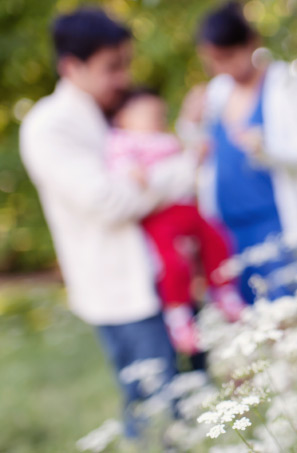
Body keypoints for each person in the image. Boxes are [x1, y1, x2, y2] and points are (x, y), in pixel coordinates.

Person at [19, 9, 196, 438]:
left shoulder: (113, 110)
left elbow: (168, 172)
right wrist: (164, 176)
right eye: (111, 67)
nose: (123, 77)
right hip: (122, 293)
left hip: (165, 277)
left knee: (192, 398)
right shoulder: (49, 126)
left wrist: (152, 178)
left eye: (126, 64)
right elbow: (109, 201)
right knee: (158, 413)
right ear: (71, 67)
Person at [178, 2, 297, 305]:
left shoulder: (285, 83)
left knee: (287, 310)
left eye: (228, 57)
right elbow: (197, 152)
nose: (222, 68)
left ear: (251, 43)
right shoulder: (216, 92)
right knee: (243, 314)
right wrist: (188, 124)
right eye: (213, 61)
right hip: (225, 228)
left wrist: (265, 149)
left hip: (275, 223)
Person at [107, 88, 246, 354]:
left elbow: (184, 167)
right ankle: (179, 317)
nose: (156, 120)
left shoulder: (164, 141)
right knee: (173, 263)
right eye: (148, 114)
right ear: (124, 118)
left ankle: (225, 291)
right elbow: (121, 166)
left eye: (159, 115)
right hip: (159, 216)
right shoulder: (123, 141)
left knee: (217, 239)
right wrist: (132, 171)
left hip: (185, 208)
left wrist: (195, 156)